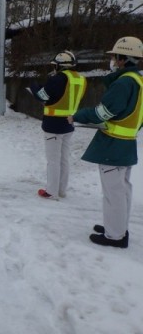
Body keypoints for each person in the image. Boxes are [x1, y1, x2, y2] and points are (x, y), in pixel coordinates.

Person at [68, 36, 143, 248]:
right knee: (122, 190)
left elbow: (103, 112)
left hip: (113, 145)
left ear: (123, 58)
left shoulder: (124, 83)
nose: (113, 60)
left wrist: (78, 116)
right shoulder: (139, 81)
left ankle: (115, 235)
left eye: (115, 57)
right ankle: (116, 227)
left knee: (114, 192)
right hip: (126, 143)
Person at [26, 50, 87, 200]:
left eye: (55, 65)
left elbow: (43, 96)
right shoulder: (80, 80)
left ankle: (52, 192)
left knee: (53, 160)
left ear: (60, 65)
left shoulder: (57, 79)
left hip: (53, 125)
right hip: (68, 124)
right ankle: (62, 190)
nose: (54, 68)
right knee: (64, 159)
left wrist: (34, 86)